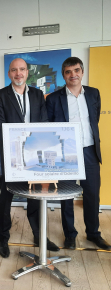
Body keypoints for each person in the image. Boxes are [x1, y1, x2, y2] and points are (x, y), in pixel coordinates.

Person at [0, 58, 60, 258]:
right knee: (6, 199)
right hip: (11, 156)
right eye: (14, 70)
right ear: (9, 73)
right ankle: (3, 239)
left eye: (22, 69)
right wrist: (19, 145)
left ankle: (40, 237)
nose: (18, 73)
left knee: (36, 197)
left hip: (34, 157)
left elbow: (44, 123)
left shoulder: (39, 95)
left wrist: (33, 147)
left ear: (27, 72)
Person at [46, 57, 111, 250]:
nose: (73, 74)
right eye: (68, 72)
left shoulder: (93, 94)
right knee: (66, 197)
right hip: (66, 154)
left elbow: (94, 119)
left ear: (82, 72)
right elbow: (49, 128)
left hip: (90, 151)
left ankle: (93, 234)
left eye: (76, 70)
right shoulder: (53, 99)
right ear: (63, 75)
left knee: (92, 195)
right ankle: (70, 235)